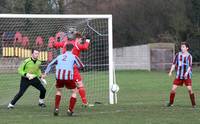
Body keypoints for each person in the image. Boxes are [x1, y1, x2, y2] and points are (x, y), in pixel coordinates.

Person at [44, 43, 84, 116]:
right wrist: (73, 65)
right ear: (72, 49)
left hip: (59, 77)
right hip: (68, 77)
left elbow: (50, 64)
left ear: (65, 49)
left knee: (59, 90)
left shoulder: (59, 56)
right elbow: (81, 66)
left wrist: (46, 73)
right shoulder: (74, 56)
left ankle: (56, 108)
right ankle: (70, 110)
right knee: (74, 91)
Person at [53, 30, 90, 107]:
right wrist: (87, 40)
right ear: (77, 38)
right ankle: (84, 102)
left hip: (62, 70)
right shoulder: (76, 44)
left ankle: (57, 107)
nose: (81, 40)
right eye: (80, 39)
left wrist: (56, 41)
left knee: (59, 89)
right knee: (79, 85)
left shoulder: (65, 43)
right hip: (72, 69)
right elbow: (85, 47)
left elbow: (55, 45)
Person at [167, 42, 196, 107]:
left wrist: (186, 73)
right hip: (179, 75)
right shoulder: (177, 55)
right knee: (173, 89)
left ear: (187, 48)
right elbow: (174, 64)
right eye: (181, 47)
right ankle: (171, 103)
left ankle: (193, 104)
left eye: (183, 47)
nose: (182, 48)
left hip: (187, 76)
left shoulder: (189, 56)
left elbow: (190, 66)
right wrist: (170, 71)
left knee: (189, 89)